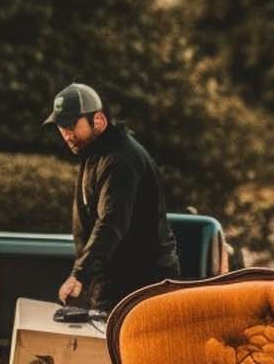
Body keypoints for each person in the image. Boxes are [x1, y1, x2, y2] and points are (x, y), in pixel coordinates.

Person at [44, 83, 180, 312]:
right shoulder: (93, 152)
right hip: (114, 281)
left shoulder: (121, 160)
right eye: (60, 126)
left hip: (141, 286)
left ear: (99, 120)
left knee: (127, 348)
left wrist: (80, 275)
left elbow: (111, 222)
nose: (65, 133)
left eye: (70, 125)